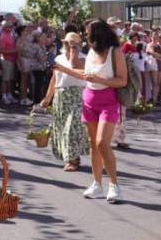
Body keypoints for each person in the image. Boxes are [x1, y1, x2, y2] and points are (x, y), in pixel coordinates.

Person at [57, 20, 127, 203]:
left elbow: (122, 81)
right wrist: (61, 68)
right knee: (93, 145)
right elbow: (85, 75)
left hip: (108, 102)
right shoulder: (90, 53)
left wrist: (98, 79)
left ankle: (114, 185)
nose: (85, 35)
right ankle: (97, 184)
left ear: (97, 33)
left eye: (88, 32)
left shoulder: (115, 51)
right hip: (89, 100)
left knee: (102, 142)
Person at [39, 32, 89, 172]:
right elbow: (54, 79)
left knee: (71, 127)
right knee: (62, 128)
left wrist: (74, 52)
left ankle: (72, 160)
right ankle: (72, 157)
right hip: (61, 96)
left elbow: (77, 69)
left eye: (73, 43)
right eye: (67, 43)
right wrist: (47, 98)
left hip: (78, 95)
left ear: (79, 45)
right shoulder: (59, 58)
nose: (69, 46)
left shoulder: (84, 58)